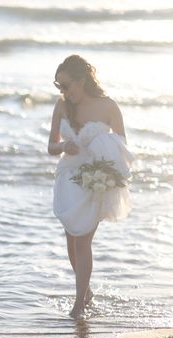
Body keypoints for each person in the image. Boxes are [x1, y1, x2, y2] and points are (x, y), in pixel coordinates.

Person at [47, 55, 132, 318]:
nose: (63, 91)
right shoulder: (61, 107)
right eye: (59, 86)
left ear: (82, 80)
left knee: (83, 241)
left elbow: (122, 147)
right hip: (68, 178)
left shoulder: (109, 106)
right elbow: (51, 147)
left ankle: (78, 304)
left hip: (95, 179)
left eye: (67, 85)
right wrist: (63, 146)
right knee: (72, 241)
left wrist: (106, 174)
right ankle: (86, 290)